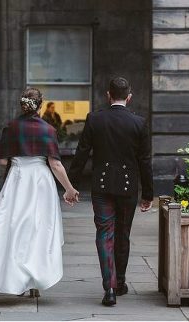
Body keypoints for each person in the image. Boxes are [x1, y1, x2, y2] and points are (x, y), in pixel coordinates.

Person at [0, 88, 79, 298]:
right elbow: (55, 164)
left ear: (22, 104)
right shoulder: (48, 130)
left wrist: (17, 159)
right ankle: (34, 282)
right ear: (40, 105)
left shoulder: (11, 127)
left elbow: (2, 161)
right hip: (40, 182)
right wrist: (69, 189)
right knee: (39, 230)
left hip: (18, 180)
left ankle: (16, 280)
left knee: (14, 230)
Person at [68, 77, 153, 306]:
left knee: (105, 234)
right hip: (127, 188)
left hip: (102, 187)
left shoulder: (95, 119)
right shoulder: (139, 123)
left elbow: (82, 153)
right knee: (122, 234)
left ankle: (110, 288)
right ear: (129, 96)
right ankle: (121, 281)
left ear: (108, 95)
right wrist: (148, 194)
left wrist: (71, 185)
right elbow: (145, 161)